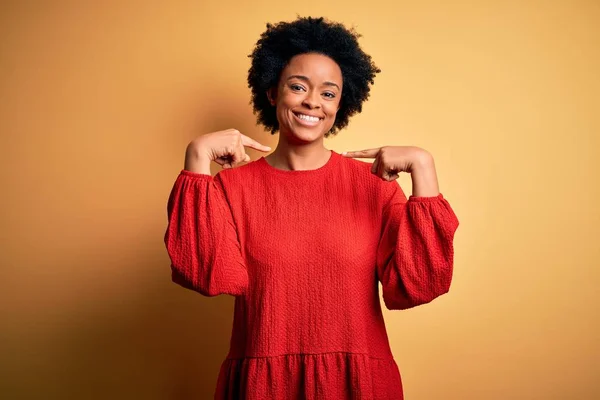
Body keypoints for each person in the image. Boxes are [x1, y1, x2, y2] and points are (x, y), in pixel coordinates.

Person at [164, 16, 459, 400]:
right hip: (263, 388)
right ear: (272, 92)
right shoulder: (231, 189)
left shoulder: (375, 187)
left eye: (328, 93)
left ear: (342, 102)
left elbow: (419, 285)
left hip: (357, 386)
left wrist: (424, 168)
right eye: (298, 86)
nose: (312, 103)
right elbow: (205, 274)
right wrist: (197, 157)